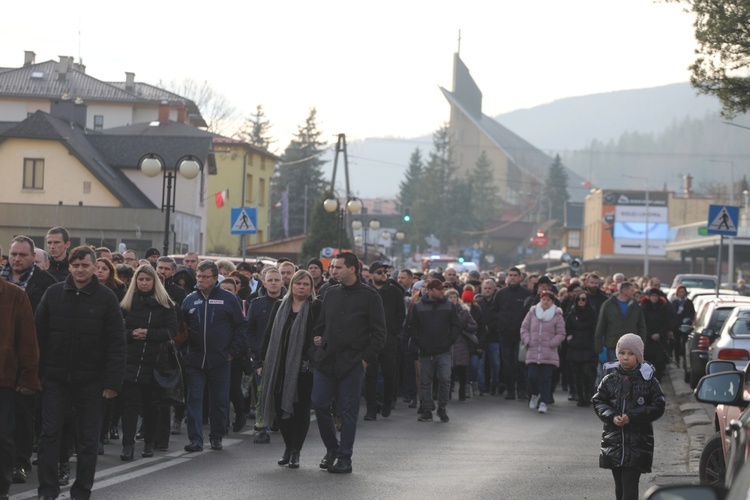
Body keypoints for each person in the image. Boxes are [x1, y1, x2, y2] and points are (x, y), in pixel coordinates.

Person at [35, 245, 126, 500]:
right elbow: (38, 336)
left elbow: (117, 343)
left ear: (95, 266)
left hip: (91, 381)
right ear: (70, 266)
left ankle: (81, 491)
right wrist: (36, 374)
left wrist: (112, 382)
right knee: (49, 435)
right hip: (54, 379)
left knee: (87, 441)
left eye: (85, 265)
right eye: (75, 265)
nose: (79, 270)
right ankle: (47, 491)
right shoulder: (53, 294)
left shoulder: (106, 298)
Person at [311, 252, 386, 474]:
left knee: (348, 411)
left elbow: (379, 334)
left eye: (338, 267)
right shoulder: (330, 293)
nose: (333, 271)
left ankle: (345, 458)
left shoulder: (371, 296)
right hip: (326, 361)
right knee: (320, 403)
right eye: (332, 267)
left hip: (352, 363)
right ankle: (332, 448)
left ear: (352, 269)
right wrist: (317, 344)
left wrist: (364, 359)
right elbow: (319, 326)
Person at [1, 236, 56, 482]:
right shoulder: (3, 280)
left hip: (29, 357)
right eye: (13, 254)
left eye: (22, 255)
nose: (17, 259)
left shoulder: (46, 283)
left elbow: (49, 324)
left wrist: (34, 367)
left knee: (23, 415)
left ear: (33, 257)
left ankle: (20, 462)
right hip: (3, 360)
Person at [181, 260, 247, 453]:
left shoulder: (228, 299)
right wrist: (184, 352)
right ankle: (195, 439)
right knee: (194, 399)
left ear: (215, 278)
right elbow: (181, 328)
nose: (200, 280)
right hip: (195, 360)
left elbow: (241, 326)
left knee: (219, 401)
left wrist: (232, 352)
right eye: (198, 277)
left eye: (205, 277)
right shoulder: (190, 299)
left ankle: (217, 436)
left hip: (220, 359)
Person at [258, 270, 322, 469]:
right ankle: (288, 446)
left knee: (300, 409)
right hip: (278, 366)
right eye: (298, 284)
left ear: (311, 288)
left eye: (305, 284)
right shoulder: (280, 306)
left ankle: (295, 451)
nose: (301, 287)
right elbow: (268, 335)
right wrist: (261, 362)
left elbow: (323, 330)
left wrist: (320, 340)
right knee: (280, 407)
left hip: (304, 368)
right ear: (291, 285)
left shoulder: (316, 307)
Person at [592, 334, 666, 500]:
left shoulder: (649, 381)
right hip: (614, 441)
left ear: (639, 356)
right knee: (619, 484)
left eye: (631, 354)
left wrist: (632, 416)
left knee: (630, 483)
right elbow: (598, 401)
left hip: (638, 443)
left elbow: (658, 405)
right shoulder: (609, 380)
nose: (626, 357)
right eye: (622, 353)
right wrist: (611, 416)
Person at [118, 265, 178, 461]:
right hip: (130, 361)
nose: (144, 283)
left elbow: (171, 331)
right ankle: (127, 445)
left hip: (155, 363)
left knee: (152, 406)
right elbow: (116, 330)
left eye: (148, 280)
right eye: (141, 279)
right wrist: (131, 334)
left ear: (155, 282)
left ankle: (150, 443)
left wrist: (150, 334)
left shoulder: (165, 303)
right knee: (129, 407)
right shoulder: (127, 303)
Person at [0, 274, 40, 500]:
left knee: (3, 436)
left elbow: (28, 340)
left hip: (3, 379)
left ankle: (2, 488)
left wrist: (28, 377)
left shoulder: (15, 295)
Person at [406, 279, 461, 423]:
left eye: (442, 289)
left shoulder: (449, 306)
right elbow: (412, 327)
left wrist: (449, 341)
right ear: (429, 291)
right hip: (425, 351)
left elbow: (456, 325)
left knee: (445, 379)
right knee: (425, 381)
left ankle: (442, 408)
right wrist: (421, 343)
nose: (441, 291)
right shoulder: (419, 307)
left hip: (443, 350)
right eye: (438, 289)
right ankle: (427, 409)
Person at [246, 268, 285, 441]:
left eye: (277, 279)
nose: (274, 283)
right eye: (270, 280)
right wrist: (256, 353)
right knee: (262, 392)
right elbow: (250, 330)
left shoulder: (288, 303)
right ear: (264, 282)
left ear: (283, 282)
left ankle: (278, 420)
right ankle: (262, 428)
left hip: (283, 356)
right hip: (261, 357)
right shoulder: (257, 303)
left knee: (281, 392)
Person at [364, 261, 406, 421]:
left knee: (389, 373)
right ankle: (371, 409)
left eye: (385, 272)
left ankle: (388, 401)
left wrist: (393, 331)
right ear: (372, 274)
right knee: (371, 376)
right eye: (379, 272)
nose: (383, 274)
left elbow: (400, 314)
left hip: (389, 341)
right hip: (370, 340)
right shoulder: (366, 291)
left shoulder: (394, 292)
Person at [520, 290, 566, 414]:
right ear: (540, 300)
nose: (546, 302)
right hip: (533, 350)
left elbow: (561, 333)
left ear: (553, 302)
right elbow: (524, 328)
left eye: (549, 300)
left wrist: (552, 343)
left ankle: (544, 402)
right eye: (544, 299)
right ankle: (534, 395)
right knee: (532, 377)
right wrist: (527, 340)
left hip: (549, 352)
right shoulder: (533, 312)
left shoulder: (557, 315)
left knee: (546, 378)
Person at [492, 267, 531, 400]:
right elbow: (494, 310)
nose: (512, 277)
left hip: (521, 334)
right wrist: (499, 322)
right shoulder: (501, 293)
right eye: (510, 275)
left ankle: (522, 390)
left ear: (520, 277)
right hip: (504, 334)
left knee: (521, 362)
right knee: (506, 362)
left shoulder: (526, 293)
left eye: (515, 275)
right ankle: (510, 390)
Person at [595, 282, 647, 366]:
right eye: (631, 290)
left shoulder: (635, 306)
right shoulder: (608, 305)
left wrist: (642, 343)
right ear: (623, 291)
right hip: (613, 345)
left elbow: (641, 326)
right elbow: (601, 325)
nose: (633, 292)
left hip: (631, 346)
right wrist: (598, 345)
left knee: (630, 373)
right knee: (613, 372)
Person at [565, 290, 598, 407]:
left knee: (587, 373)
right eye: (579, 299)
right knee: (577, 374)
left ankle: (588, 395)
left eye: (583, 299)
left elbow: (595, 329)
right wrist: (569, 337)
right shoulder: (572, 313)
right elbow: (567, 326)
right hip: (575, 346)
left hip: (588, 346)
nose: (581, 301)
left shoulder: (592, 312)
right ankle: (580, 396)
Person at [445, 288, 479, 402]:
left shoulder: (464, 311)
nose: (453, 299)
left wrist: (465, 328)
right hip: (448, 343)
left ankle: (462, 393)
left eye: (455, 296)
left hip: (461, 343)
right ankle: (447, 393)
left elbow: (474, 325)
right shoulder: (442, 310)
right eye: (450, 297)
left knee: (462, 370)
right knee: (448, 371)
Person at [640, 288, 672, 380]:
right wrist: (650, 334)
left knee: (659, 363)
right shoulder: (644, 308)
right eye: (652, 296)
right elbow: (642, 323)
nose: (654, 298)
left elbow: (666, 323)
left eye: (656, 296)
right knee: (647, 362)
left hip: (660, 340)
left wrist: (660, 334)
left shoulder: (663, 308)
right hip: (648, 340)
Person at [670, 285, 695, 369]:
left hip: (685, 327)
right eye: (680, 292)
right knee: (676, 343)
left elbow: (692, 314)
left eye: (683, 292)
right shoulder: (674, 302)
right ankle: (677, 360)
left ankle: (684, 360)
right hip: (676, 326)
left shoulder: (688, 302)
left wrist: (689, 321)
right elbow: (671, 314)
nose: (681, 293)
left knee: (684, 343)